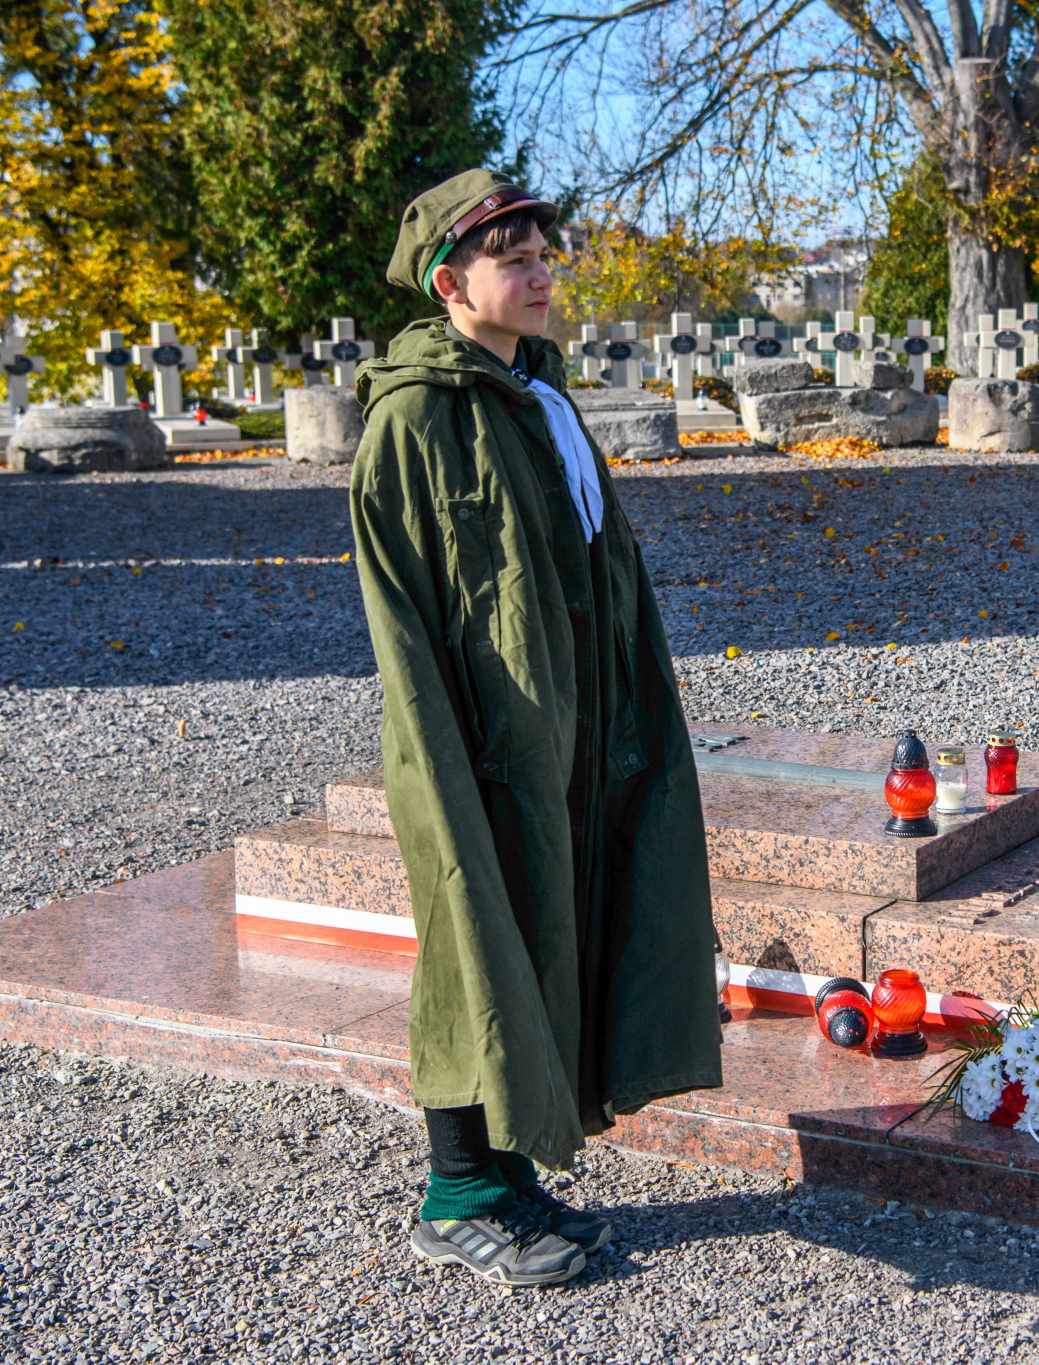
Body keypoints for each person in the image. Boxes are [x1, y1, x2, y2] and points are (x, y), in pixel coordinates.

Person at [350, 170, 724, 1286]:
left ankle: (509, 1178)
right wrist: (450, 761)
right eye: (510, 258)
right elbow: (407, 612)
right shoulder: (414, 419)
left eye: (541, 255)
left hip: (574, 723)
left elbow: (594, 569)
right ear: (448, 282)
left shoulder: (543, 398)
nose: (537, 273)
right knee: (478, 940)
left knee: (551, 926)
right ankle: (454, 1192)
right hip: (480, 738)